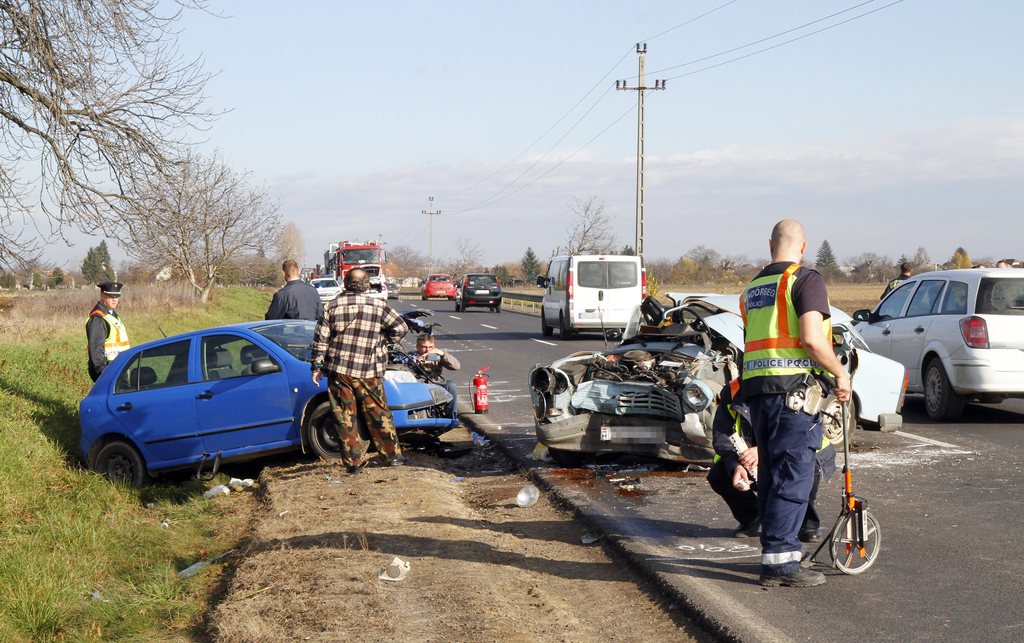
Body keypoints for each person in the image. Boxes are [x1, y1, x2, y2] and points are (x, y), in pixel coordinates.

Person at [740, 219, 851, 588]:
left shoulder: (753, 288)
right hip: (793, 395)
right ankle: (782, 564)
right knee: (793, 473)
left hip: (758, 393)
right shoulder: (804, 279)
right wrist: (840, 373)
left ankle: (775, 553)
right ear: (803, 247)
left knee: (772, 474)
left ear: (770, 244)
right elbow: (812, 340)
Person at [707, 378, 835, 541]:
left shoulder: (790, 386)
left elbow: (796, 433)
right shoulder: (733, 390)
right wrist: (735, 466)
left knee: (802, 470)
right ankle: (752, 518)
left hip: (803, 450)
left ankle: (807, 523)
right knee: (718, 475)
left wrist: (763, 451)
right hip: (751, 458)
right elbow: (722, 433)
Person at [310, 268, 408, 473]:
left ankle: (353, 462)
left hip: (339, 369)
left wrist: (317, 366)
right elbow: (400, 328)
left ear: (345, 283)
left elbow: (321, 340)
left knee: (344, 415)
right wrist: (383, 342)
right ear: (367, 285)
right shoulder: (379, 306)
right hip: (369, 368)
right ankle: (392, 456)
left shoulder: (331, 306)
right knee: (378, 412)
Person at [86, 281, 131, 382]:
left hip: (118, 366)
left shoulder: (111, 314)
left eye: (117, 296)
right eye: (111, 296)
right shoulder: (98, 318)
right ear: (102, 295)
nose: (115, 300)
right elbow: (96, 350)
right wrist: (104, 374)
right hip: (109, 370)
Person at [415, 332, 461, 422]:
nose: (427, 350)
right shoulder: (411, 356)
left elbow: (456, 366)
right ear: (417, 346)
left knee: (451, 385)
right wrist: (419, 361)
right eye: (424, 347)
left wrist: (443, 354)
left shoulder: (435, 356)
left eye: (430, 347)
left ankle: (451, 417)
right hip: (418, 386)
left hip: (435, 384)